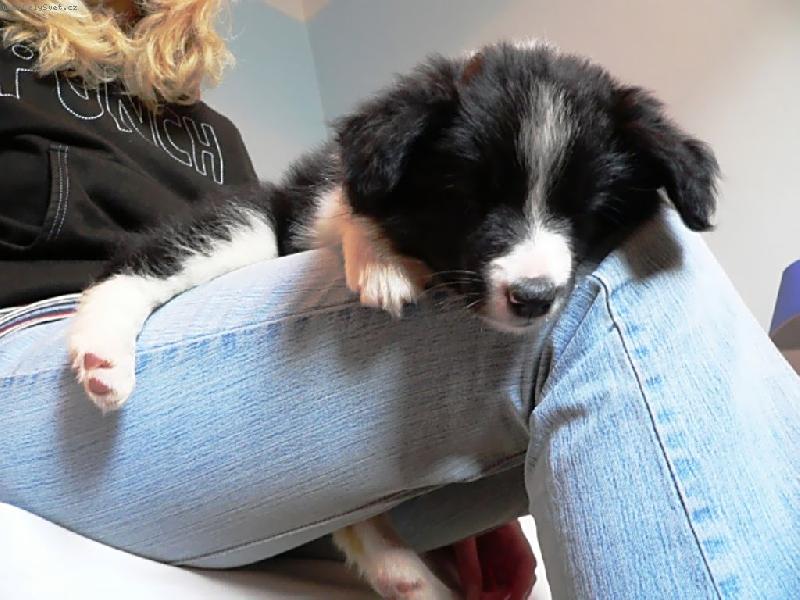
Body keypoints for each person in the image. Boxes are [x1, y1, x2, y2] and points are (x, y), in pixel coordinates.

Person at [1, 2, 798, 599]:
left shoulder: (197, 119)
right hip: (35, 356)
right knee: (619, 278)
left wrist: (477, 468)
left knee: (643, 245)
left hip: (211, 384)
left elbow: (281, 249)